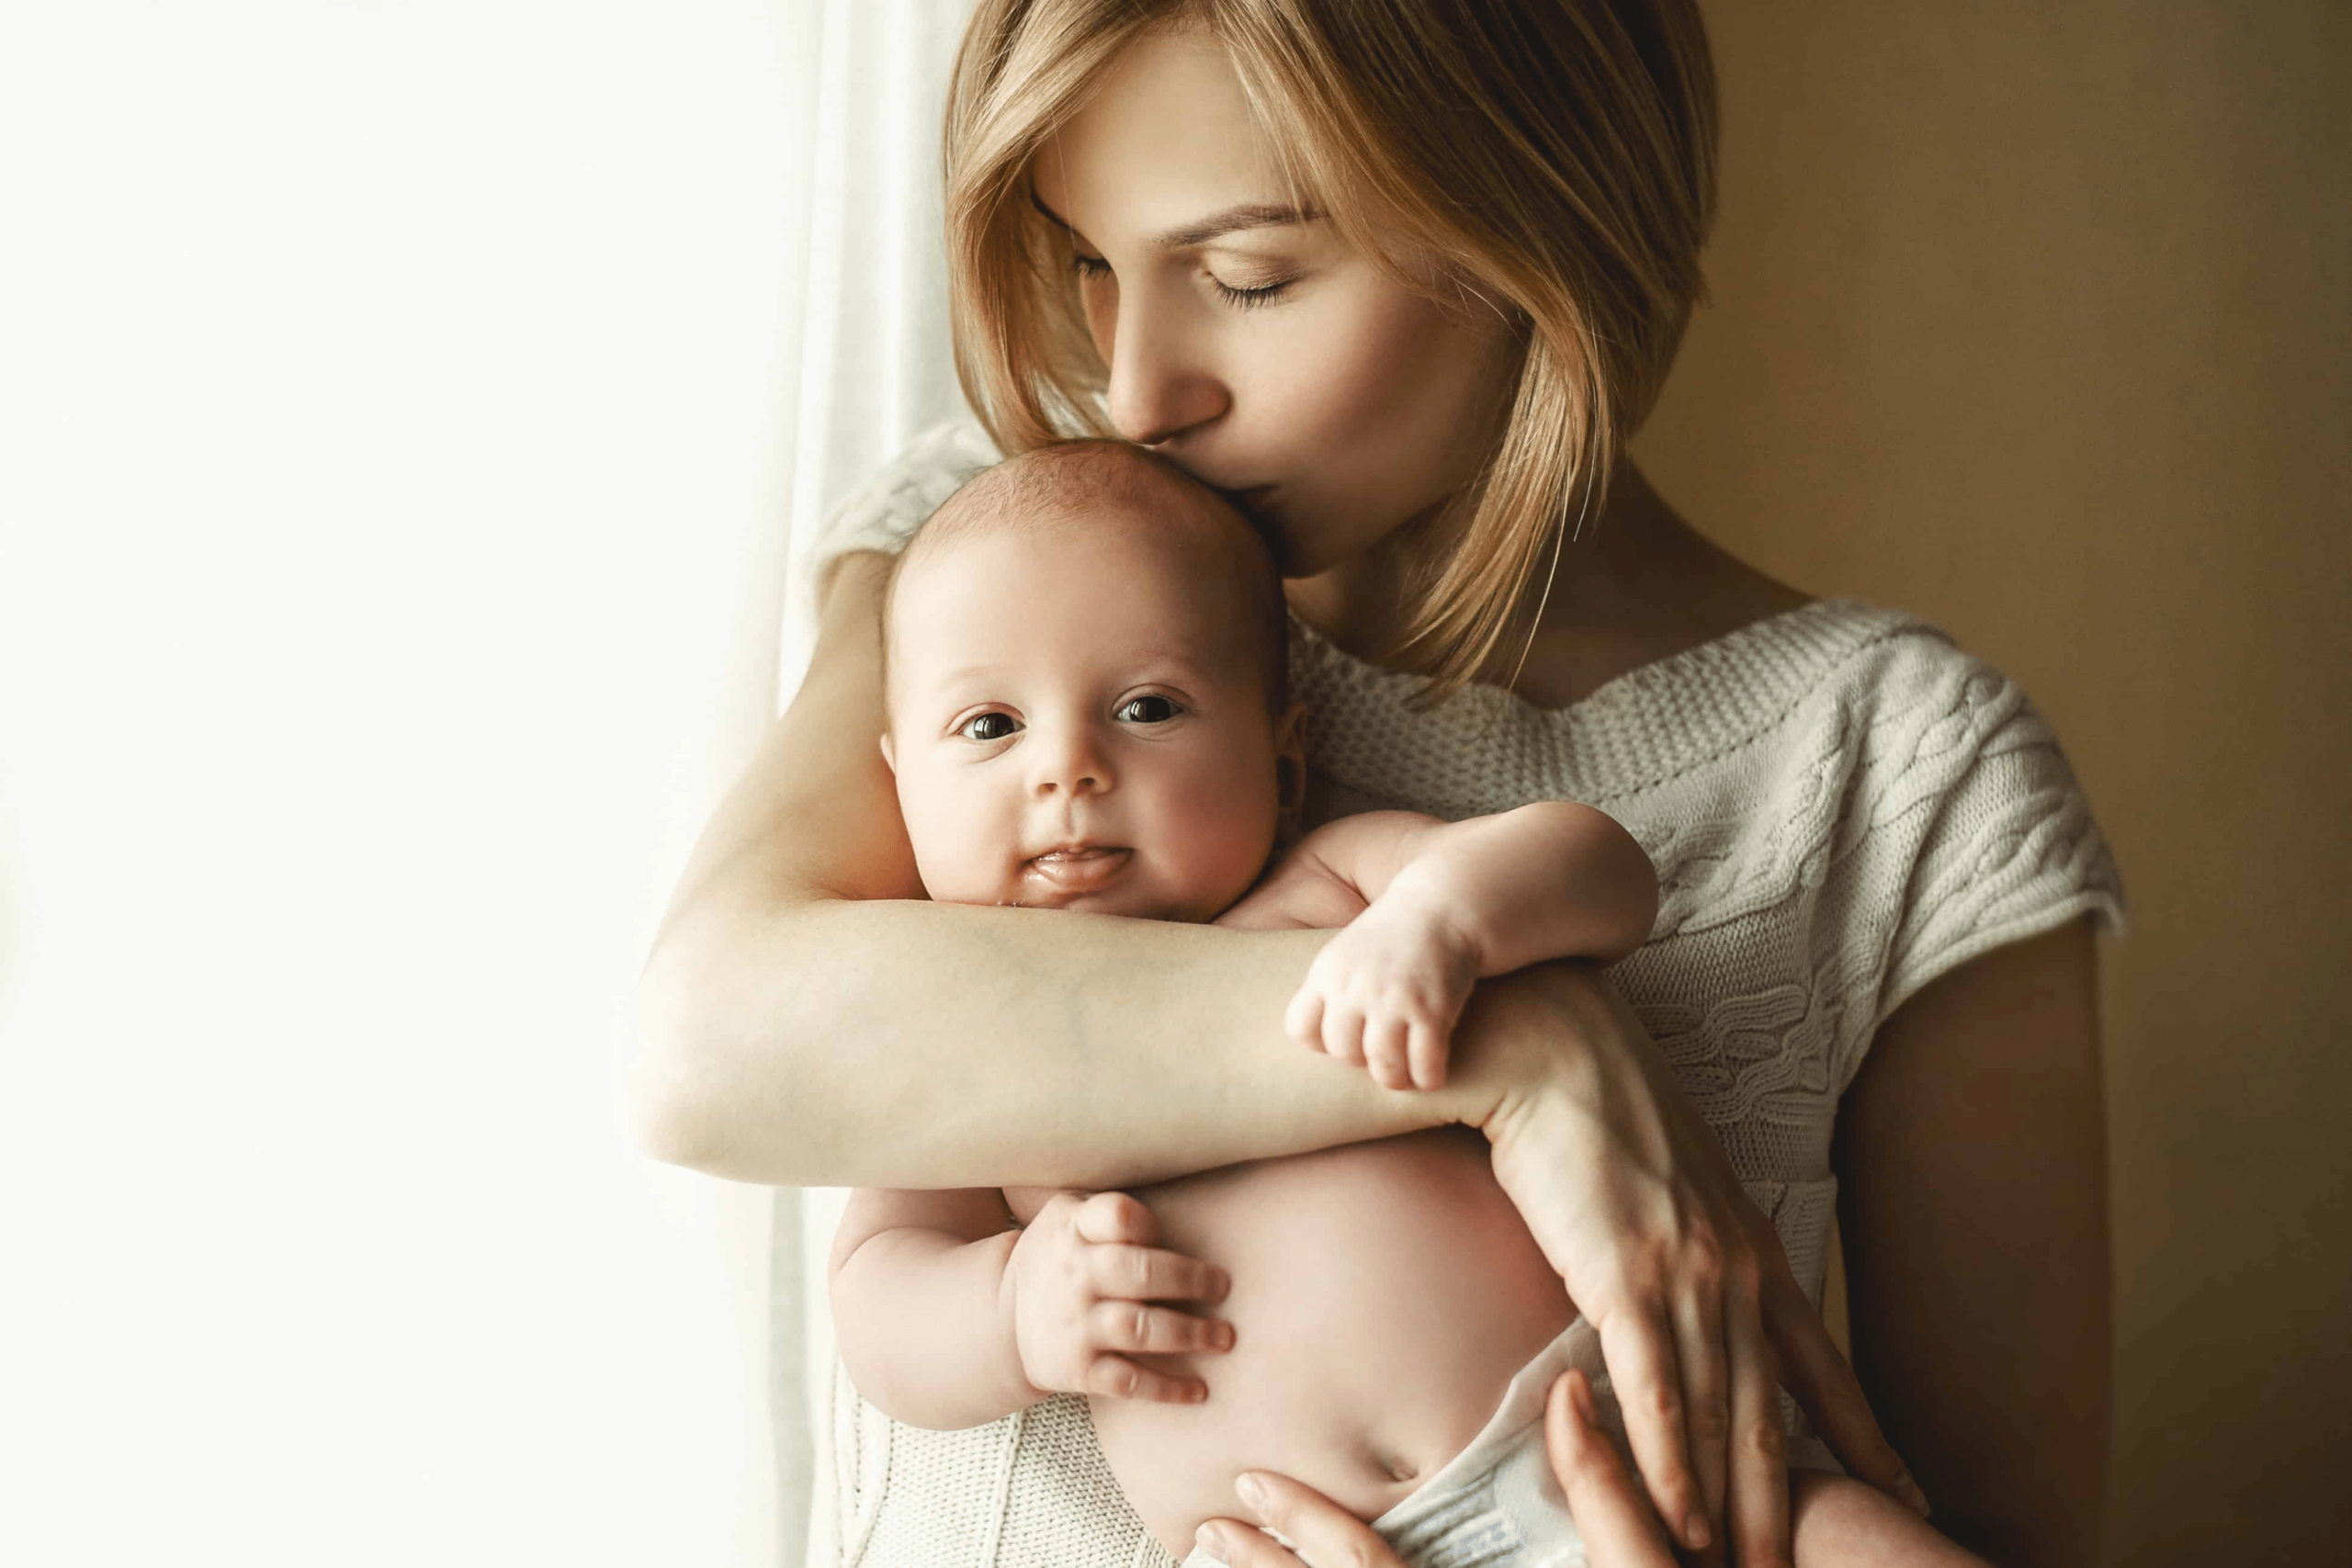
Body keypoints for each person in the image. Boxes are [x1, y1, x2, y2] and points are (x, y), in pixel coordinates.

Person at [629, 5, 2124, 1566]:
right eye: (1089, 261)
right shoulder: (998, 555)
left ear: (1536, 207)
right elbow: (705, 1050)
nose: (1137, 392)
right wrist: (1526, 1048)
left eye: (1246, 276)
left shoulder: (1897, 769)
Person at [829, 437, 1987, 1568]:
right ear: (901, 783)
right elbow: (877, 1290)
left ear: (1282, 760)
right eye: (991, 727)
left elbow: (1599, 871)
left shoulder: (1322, 895)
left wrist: (1444, 921)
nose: (1067, 768)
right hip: (1285, 1545)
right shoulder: (969, 1050)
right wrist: (1009, 1312)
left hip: (1617, 1462)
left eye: (1147, 709)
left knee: (1842, 1538)